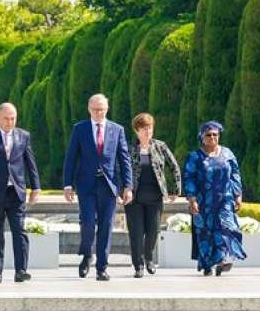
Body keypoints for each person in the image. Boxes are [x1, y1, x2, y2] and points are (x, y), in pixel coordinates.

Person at [63, 93, 133, 281]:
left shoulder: (117, 130)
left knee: (106, 226)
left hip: (109, 186)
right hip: (86, 185)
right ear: (89, 109)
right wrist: (67, 184)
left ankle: (102, 267)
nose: (98, 113)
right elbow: (71, 158)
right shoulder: (80, 129)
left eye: (101, 109)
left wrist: (128, 186)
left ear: (107, 109)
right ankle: (87, 254)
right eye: (95, 109)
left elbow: (124, 159)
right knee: (87, 222)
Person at [0, 103, 41, 283]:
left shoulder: (23, 136)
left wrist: (36, 187)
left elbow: (30, 163)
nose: (10, 122)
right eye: (6, 118)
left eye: (13, 118)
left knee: (20, 231)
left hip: (16, 193)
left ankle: (21, 270)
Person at [183, 121, 246, 276]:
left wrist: (238, 195)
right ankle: (207, 265)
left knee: (227, 227)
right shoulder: (195, 157)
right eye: (208, 135)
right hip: (203, 201)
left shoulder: (227, 154)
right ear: (202, 137)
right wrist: (192, 199)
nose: (212, 137)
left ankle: (223, 259)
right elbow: (189, 177)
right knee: (205, 233)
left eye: (215, 135)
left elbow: (235, 174)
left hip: (225, 199)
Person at [125, 113, 181, 278]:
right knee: (136, 233)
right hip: (134, 198)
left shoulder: (160, 146)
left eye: (150, 128)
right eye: (144, 129)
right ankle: (138, 265)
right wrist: (121, 190)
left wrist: (176, 189)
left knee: (153, 231)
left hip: (155, 196)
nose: (147, 132)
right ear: (136, 131)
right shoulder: (129, 148)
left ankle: (149, 259)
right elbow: (119, 170)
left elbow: (174, 167)